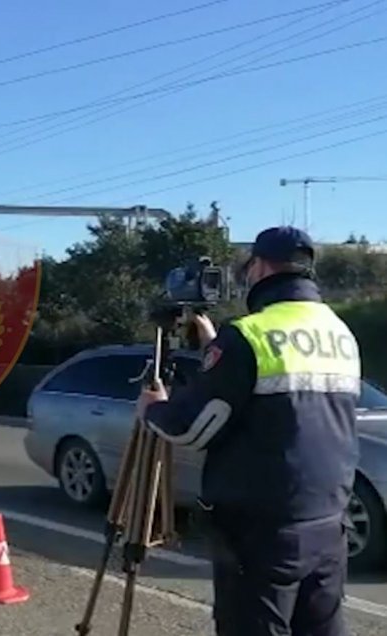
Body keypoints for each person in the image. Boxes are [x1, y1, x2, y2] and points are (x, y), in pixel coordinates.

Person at [136, 226, 360, 636]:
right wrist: (215, 349)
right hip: (329, 522)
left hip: (262, 532)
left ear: (258, 267)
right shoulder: (338, 331)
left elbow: (193, 428)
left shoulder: (248, 335)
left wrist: (155, 410)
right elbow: (287, 406)